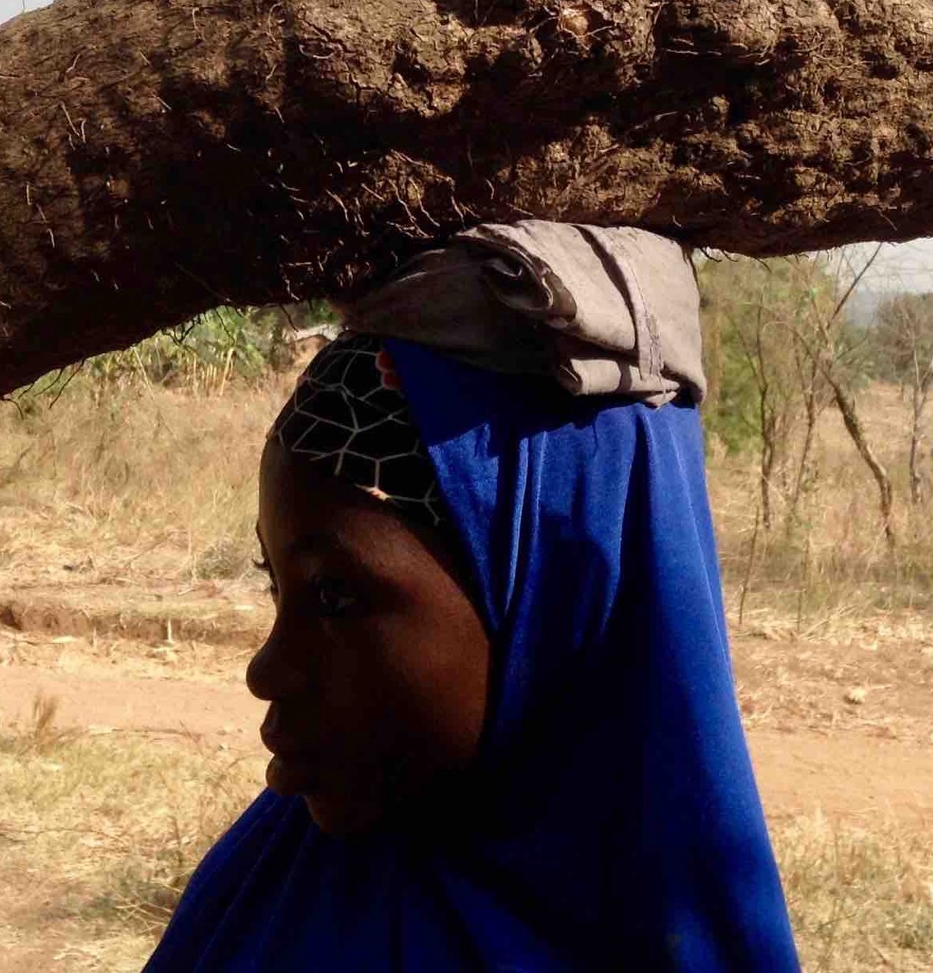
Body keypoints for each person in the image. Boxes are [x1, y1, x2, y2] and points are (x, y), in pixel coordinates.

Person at [143, 226, 800, 971]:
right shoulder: (269, 890)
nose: (268, 671)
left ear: (554, 603)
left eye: (335, 595)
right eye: (276, 585)